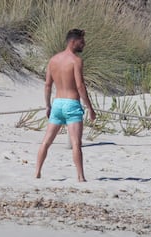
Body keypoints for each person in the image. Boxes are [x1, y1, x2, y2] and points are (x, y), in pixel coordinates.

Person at [35, 29, 96, 182]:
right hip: (71, 104)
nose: (84, 44)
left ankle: (37, 172)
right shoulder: (76, 61)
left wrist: (48, 105)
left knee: (46, 141)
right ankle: (80, 176)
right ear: (73, 42)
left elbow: (48, 85)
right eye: (82, 41)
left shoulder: (53, 60)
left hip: (57, 103)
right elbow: (80, 86)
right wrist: (90, 108)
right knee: (76, 143)